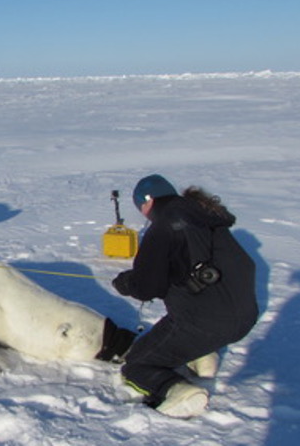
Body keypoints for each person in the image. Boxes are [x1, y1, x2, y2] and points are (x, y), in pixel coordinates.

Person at [111, 174, 258, 418]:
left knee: (138, 363)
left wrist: (126, 283)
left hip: (203, 323)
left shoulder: (164, 225)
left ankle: (178, 392)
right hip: (243, 318)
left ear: (148, 201)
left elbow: (147, 287)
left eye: (141, 207)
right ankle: (203, 356)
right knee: (183, 325)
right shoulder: (206, 218)